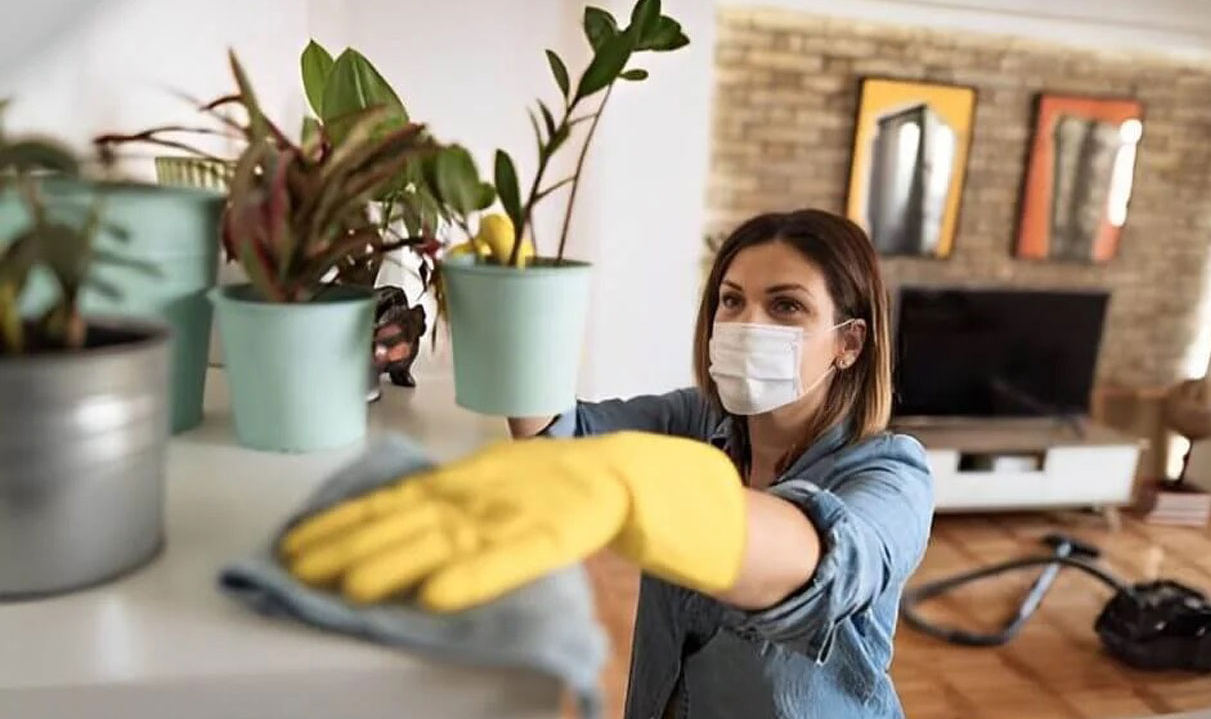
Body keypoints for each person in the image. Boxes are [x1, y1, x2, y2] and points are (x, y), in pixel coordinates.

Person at [283, 208, 935, 719]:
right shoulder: (694, 420)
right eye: (731, 301)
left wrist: (637, 488)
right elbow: (555, 436)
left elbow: (826, 563)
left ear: (849, 343)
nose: (745, 322)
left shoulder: (893, 474)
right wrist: (511, 312)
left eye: (786, 306)